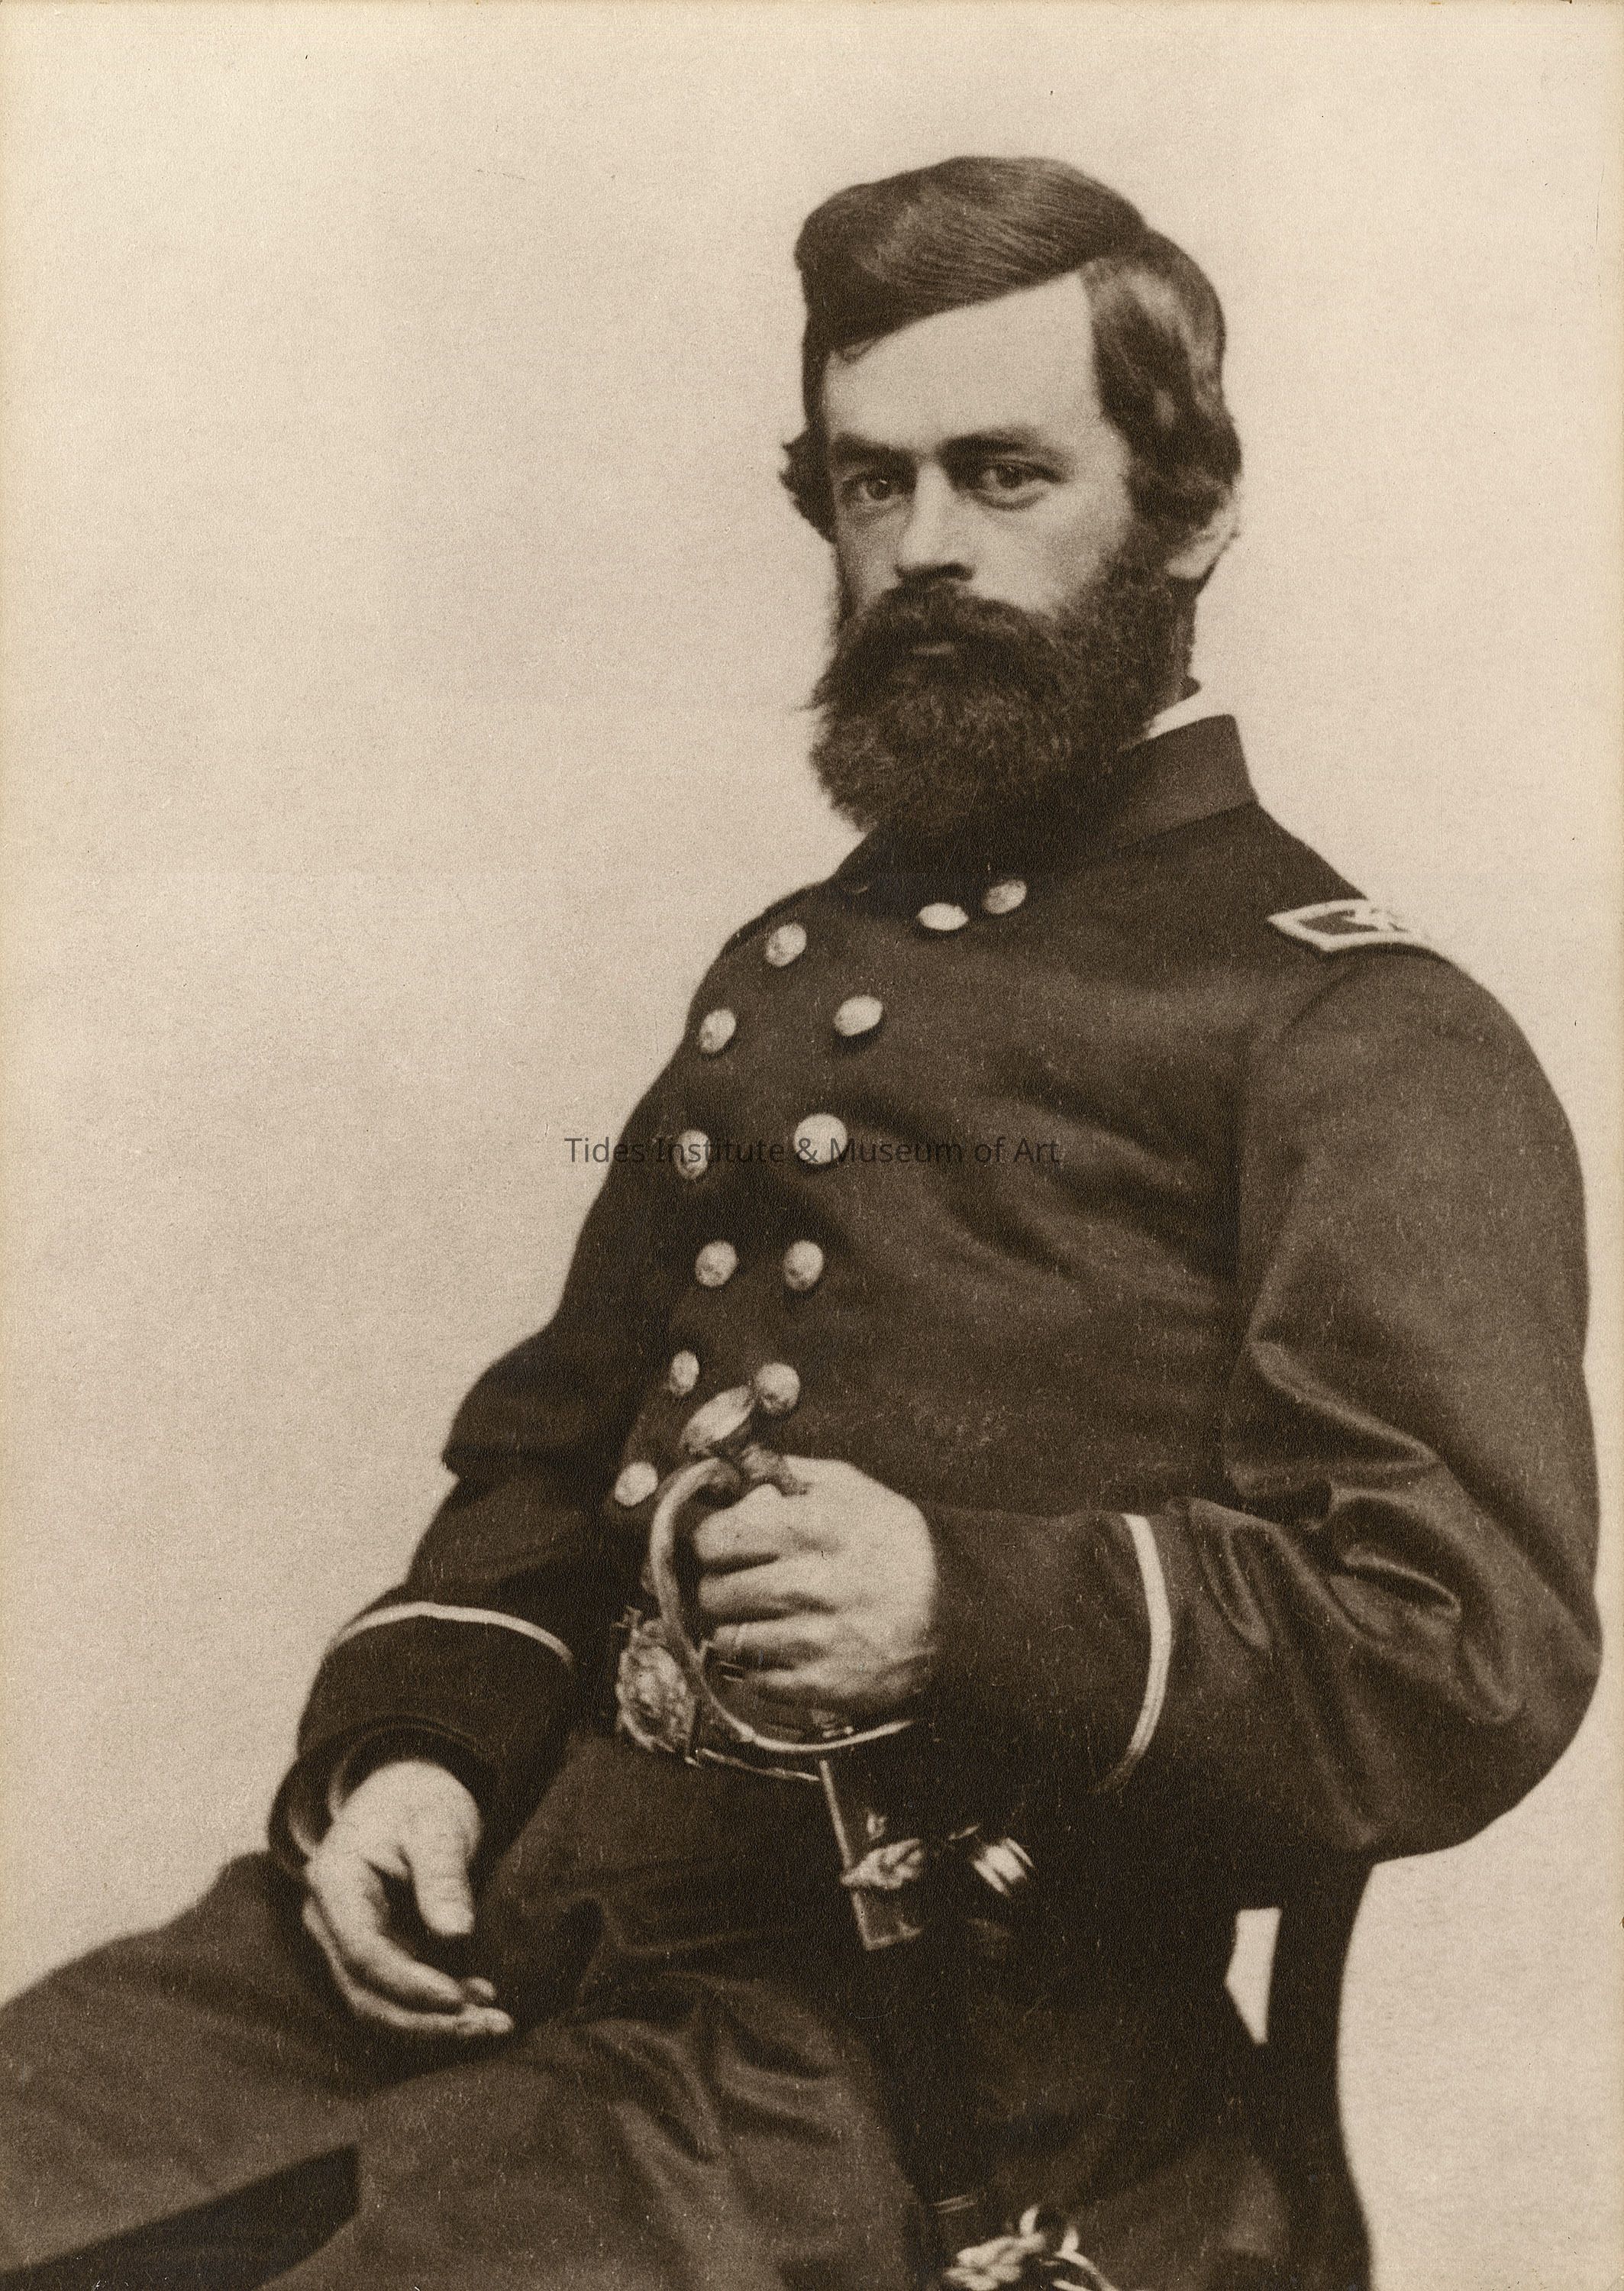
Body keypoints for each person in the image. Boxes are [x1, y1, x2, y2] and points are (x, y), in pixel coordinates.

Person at [0, 156, 1600, 2291]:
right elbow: (554, 1456)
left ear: (1192, 510)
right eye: (869, 483)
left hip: (936, 2057)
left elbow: (1460, 1646)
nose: (922, 547)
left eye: (1004, 474)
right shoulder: (789, 964)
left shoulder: (1351, 1027)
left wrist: (965, 1604)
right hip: (534, 1919)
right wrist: (416, 1761)